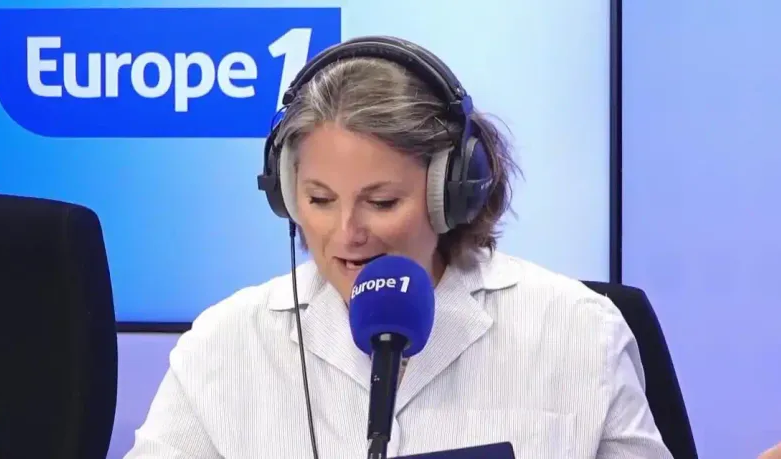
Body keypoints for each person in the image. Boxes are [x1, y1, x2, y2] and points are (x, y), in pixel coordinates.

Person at [125, 37, 673, 459]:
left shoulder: (579, 331)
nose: (347, 232)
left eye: (381, 202)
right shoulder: (225, 345)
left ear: (450, 194)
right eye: (319, 200)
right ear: (286, 194)